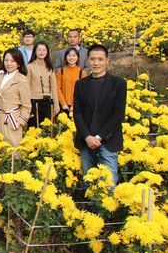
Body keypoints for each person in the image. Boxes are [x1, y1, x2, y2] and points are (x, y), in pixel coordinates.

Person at [73, 44, 126, 187]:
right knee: (88, 180)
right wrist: (87, 136)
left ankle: (107, 209)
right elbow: (77, 113)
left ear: (107, 60)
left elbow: (118, 115)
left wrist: (98, 137)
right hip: (86, 139)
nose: (96, 63)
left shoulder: (119, 83)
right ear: (88, 60)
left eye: (100, 59)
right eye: (93, 59)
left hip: (108, 139)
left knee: (109, 180)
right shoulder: (80, 84)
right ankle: (89, 208)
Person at [0, 49, 31, 147]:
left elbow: (26, 105)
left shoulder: (21, 80)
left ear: (18, 63)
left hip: (11, 120)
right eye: (6, 60)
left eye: (12, 61)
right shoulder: (2, 76)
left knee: (11, 151)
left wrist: (19, 122)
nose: (9, 63)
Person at [27, 42, 60, 127]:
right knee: (34, 129)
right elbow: (26, 87)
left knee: (47, 130)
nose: (41, 52)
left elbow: (54, 87)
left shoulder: (50, 67)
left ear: (47, 52)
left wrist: (56, 105)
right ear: (35, 51)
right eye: (39, 50)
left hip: (48, 102)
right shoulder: (29, 66)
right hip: (34, 103)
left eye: (44, 50)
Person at [56, 47, 87, 116]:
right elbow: (57, 88)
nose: (71, 58)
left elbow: (82, 91)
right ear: (66, 57)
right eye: (69, 55)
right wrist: (63, 104)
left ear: (77, 57)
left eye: (74, 55)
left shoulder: (82, 72)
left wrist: (74, 105)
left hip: (77, 106)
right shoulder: (61, 71)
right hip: (63, 106)